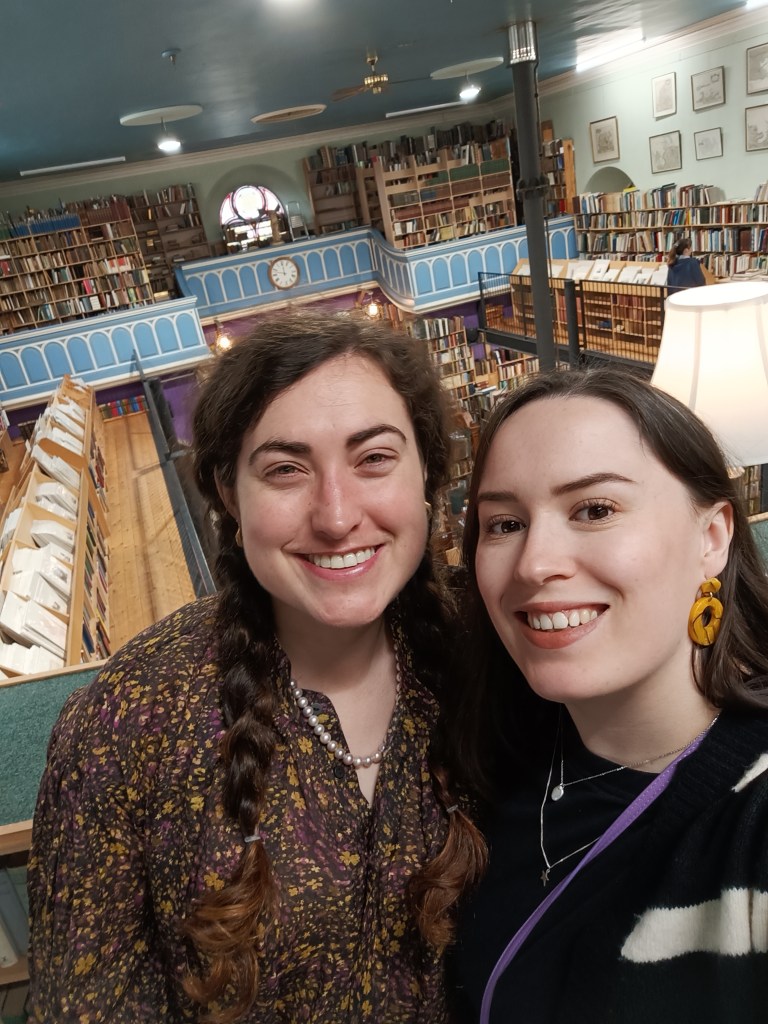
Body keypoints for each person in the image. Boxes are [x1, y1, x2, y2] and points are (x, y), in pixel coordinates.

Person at [27, 311, 486, 1024]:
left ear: (426, 470)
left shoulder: (490, 662)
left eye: (373, 459)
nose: (336, 516)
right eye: (284, 469)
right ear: (227, 495)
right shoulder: (127, 723)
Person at [451, 366, 768, 1023]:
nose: (536, 563)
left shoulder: (752, 823)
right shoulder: (487, 764)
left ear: (711, 538)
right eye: (504, 524)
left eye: (595, 510)